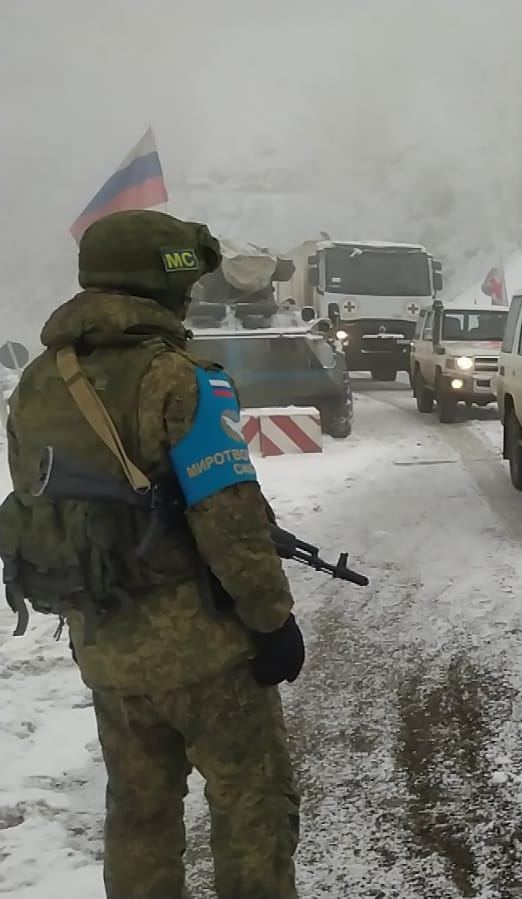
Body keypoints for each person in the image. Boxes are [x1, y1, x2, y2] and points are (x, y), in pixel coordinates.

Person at [0, 209, 303, 898]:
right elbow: (230, 519)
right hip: (207, 653)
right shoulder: (182, 379)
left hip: (105, 642)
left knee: (138, 815)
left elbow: (42, 505)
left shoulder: (38, 384)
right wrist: (272, 621)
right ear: (164, 289)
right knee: (252, 808)